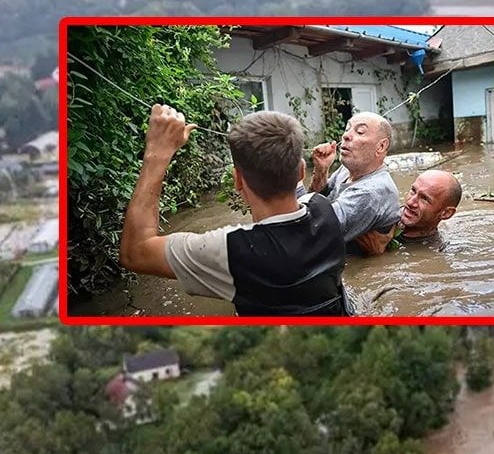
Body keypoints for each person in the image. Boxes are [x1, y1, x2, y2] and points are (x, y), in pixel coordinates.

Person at [119, 105, 350, 316]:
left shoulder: (230, 249)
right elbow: (305, 202)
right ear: (301, 171)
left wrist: (156, 154)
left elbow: (135, 252)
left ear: (237, 181)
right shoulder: (325, 208)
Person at [297, 111, 401, 249]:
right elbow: (315, 202)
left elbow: (307, 230)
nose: (346, 136)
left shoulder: (371, 192)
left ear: (381, 147)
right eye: (347, 129)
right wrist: (321, 172)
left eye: (360, 132)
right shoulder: (347, 169)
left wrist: (294, 178)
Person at [354, 169, 463, 255]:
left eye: (424, 199)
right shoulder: (384, 213)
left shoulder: (434, 252)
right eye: (413, 191)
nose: (411, 202)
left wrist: (376, 255)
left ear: (446, 213)